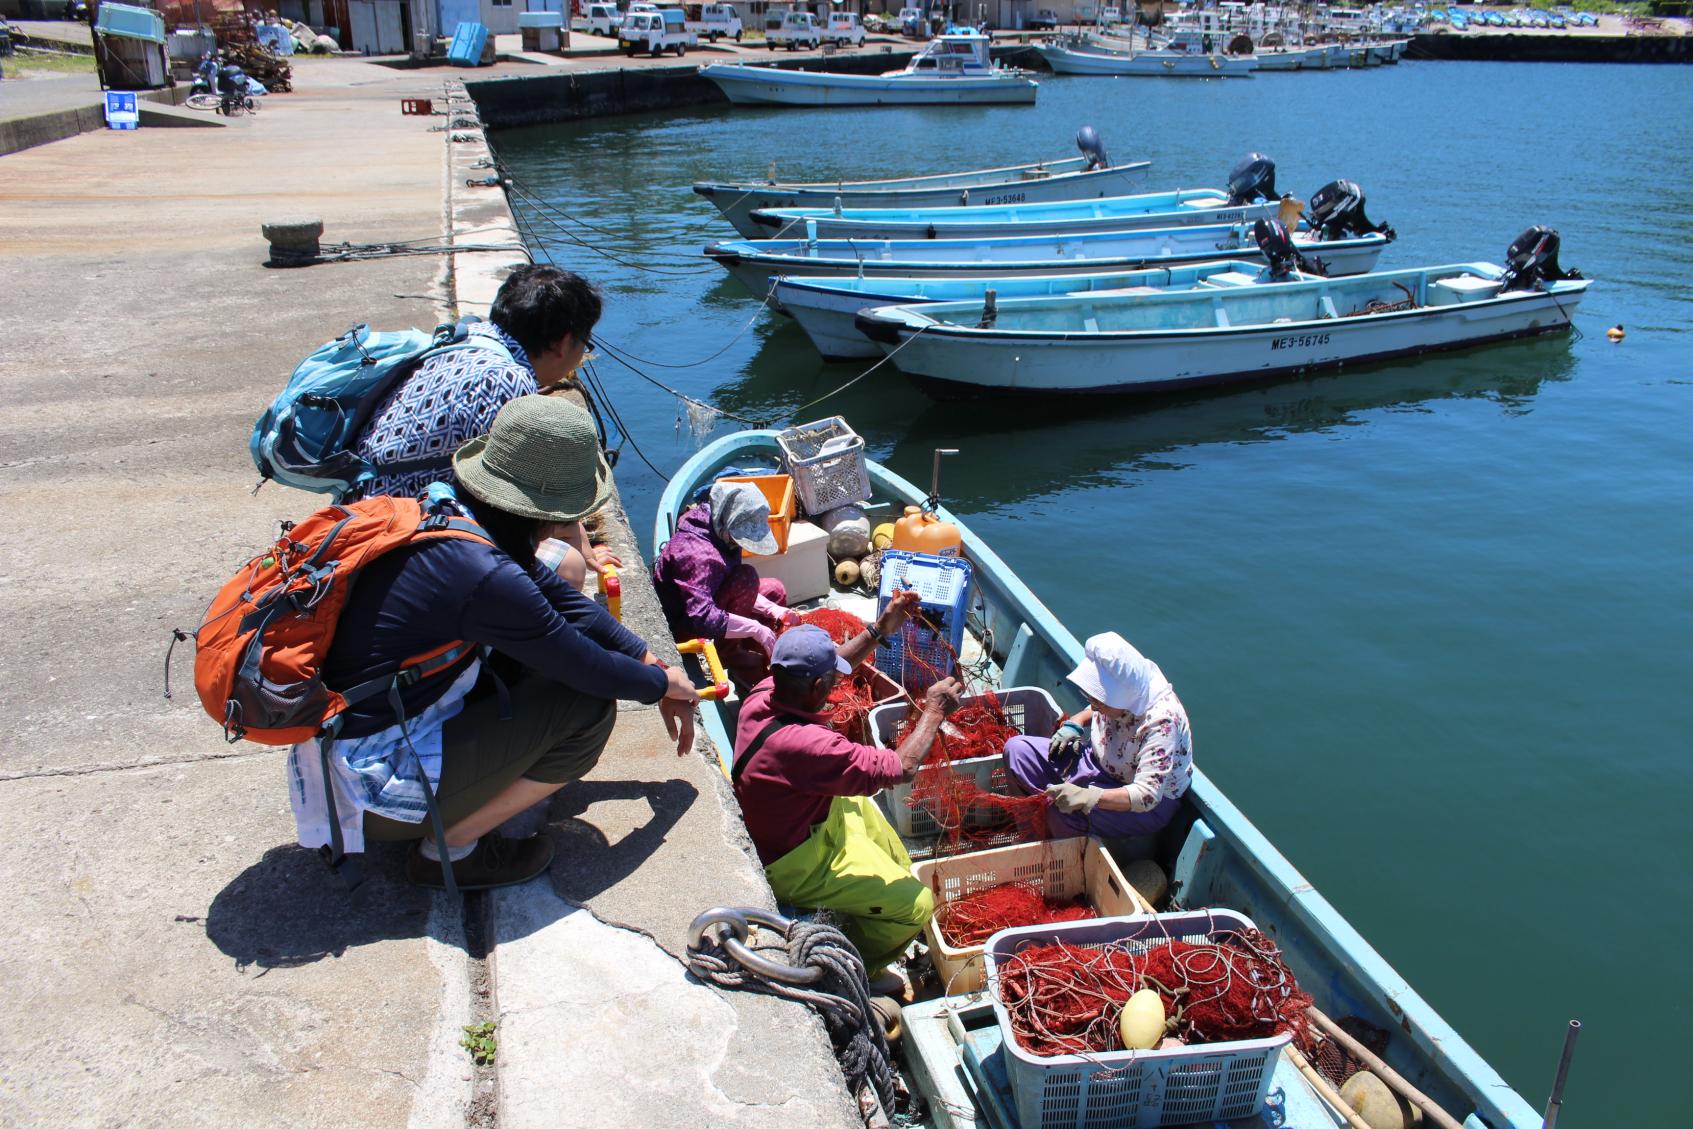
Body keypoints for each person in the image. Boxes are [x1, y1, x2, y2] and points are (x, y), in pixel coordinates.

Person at [291, 395, 699, 891]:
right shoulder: (484, 575)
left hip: (343, 747)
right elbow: (585, 666)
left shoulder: (448, 509)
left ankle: (461, 802)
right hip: (370, 785)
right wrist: (661, 685)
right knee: (588, 706)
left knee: (553, 659)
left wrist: (650, 659)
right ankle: (450, 852)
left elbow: (563, 605)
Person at [732, 601, 964, 986]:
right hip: (795, 866)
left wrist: (880, 630)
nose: (838, 681)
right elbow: (902, 769)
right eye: (831, 679)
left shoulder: (765, 691)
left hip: (800, 826)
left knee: (863, 805)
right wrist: (934, 712)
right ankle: (852, 968)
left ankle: (880, 896)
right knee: (919, 905)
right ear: (819, 686)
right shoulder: (810, 746)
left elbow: (830, 664)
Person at [344, 264, 614, 589]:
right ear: (563, 343)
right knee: (565, 566)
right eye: (584, 344)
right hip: (398, 539)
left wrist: (585, 541)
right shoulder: (509, 382)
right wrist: (578, 547)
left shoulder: (461, 342)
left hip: (364, 514)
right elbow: (526, 498)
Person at [1003, 632, 1193, 839]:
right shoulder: (1124, 686)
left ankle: (1065, 860)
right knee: (1017, 750)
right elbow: (1096, 707)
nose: (1094, 704)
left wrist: (1089, 797)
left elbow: (1146, 795)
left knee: (1061, 811)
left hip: (1139, 801)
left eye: (1099, 701)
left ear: (1121, 700)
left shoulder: (1162, 721)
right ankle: (1030, 833)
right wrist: (1077, 722)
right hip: (1096, 763)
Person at [652, 480, 796, 685]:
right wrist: (755, 628)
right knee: (746, 578)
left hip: (710, 598)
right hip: (685, 625)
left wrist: (773, 609)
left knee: (774, 590)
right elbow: (702, 617)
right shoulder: (698, 555)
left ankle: (752, 646)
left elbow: (724, 581)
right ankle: (730, 656)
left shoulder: (718, 525)